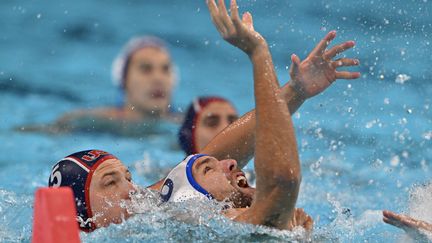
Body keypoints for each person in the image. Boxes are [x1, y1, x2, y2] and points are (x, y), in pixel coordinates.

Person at [160, 0, 360, 231]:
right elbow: (282, 183)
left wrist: (295, 92)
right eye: (208, 168)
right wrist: (257, 52)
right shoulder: (229, 224)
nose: (232, 160)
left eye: (231, 121)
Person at [22, 36, 180, 135]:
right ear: (123, 81)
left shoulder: (187, 125)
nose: (159, 78)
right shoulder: (90, 120)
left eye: (166, 69)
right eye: (146, 69)